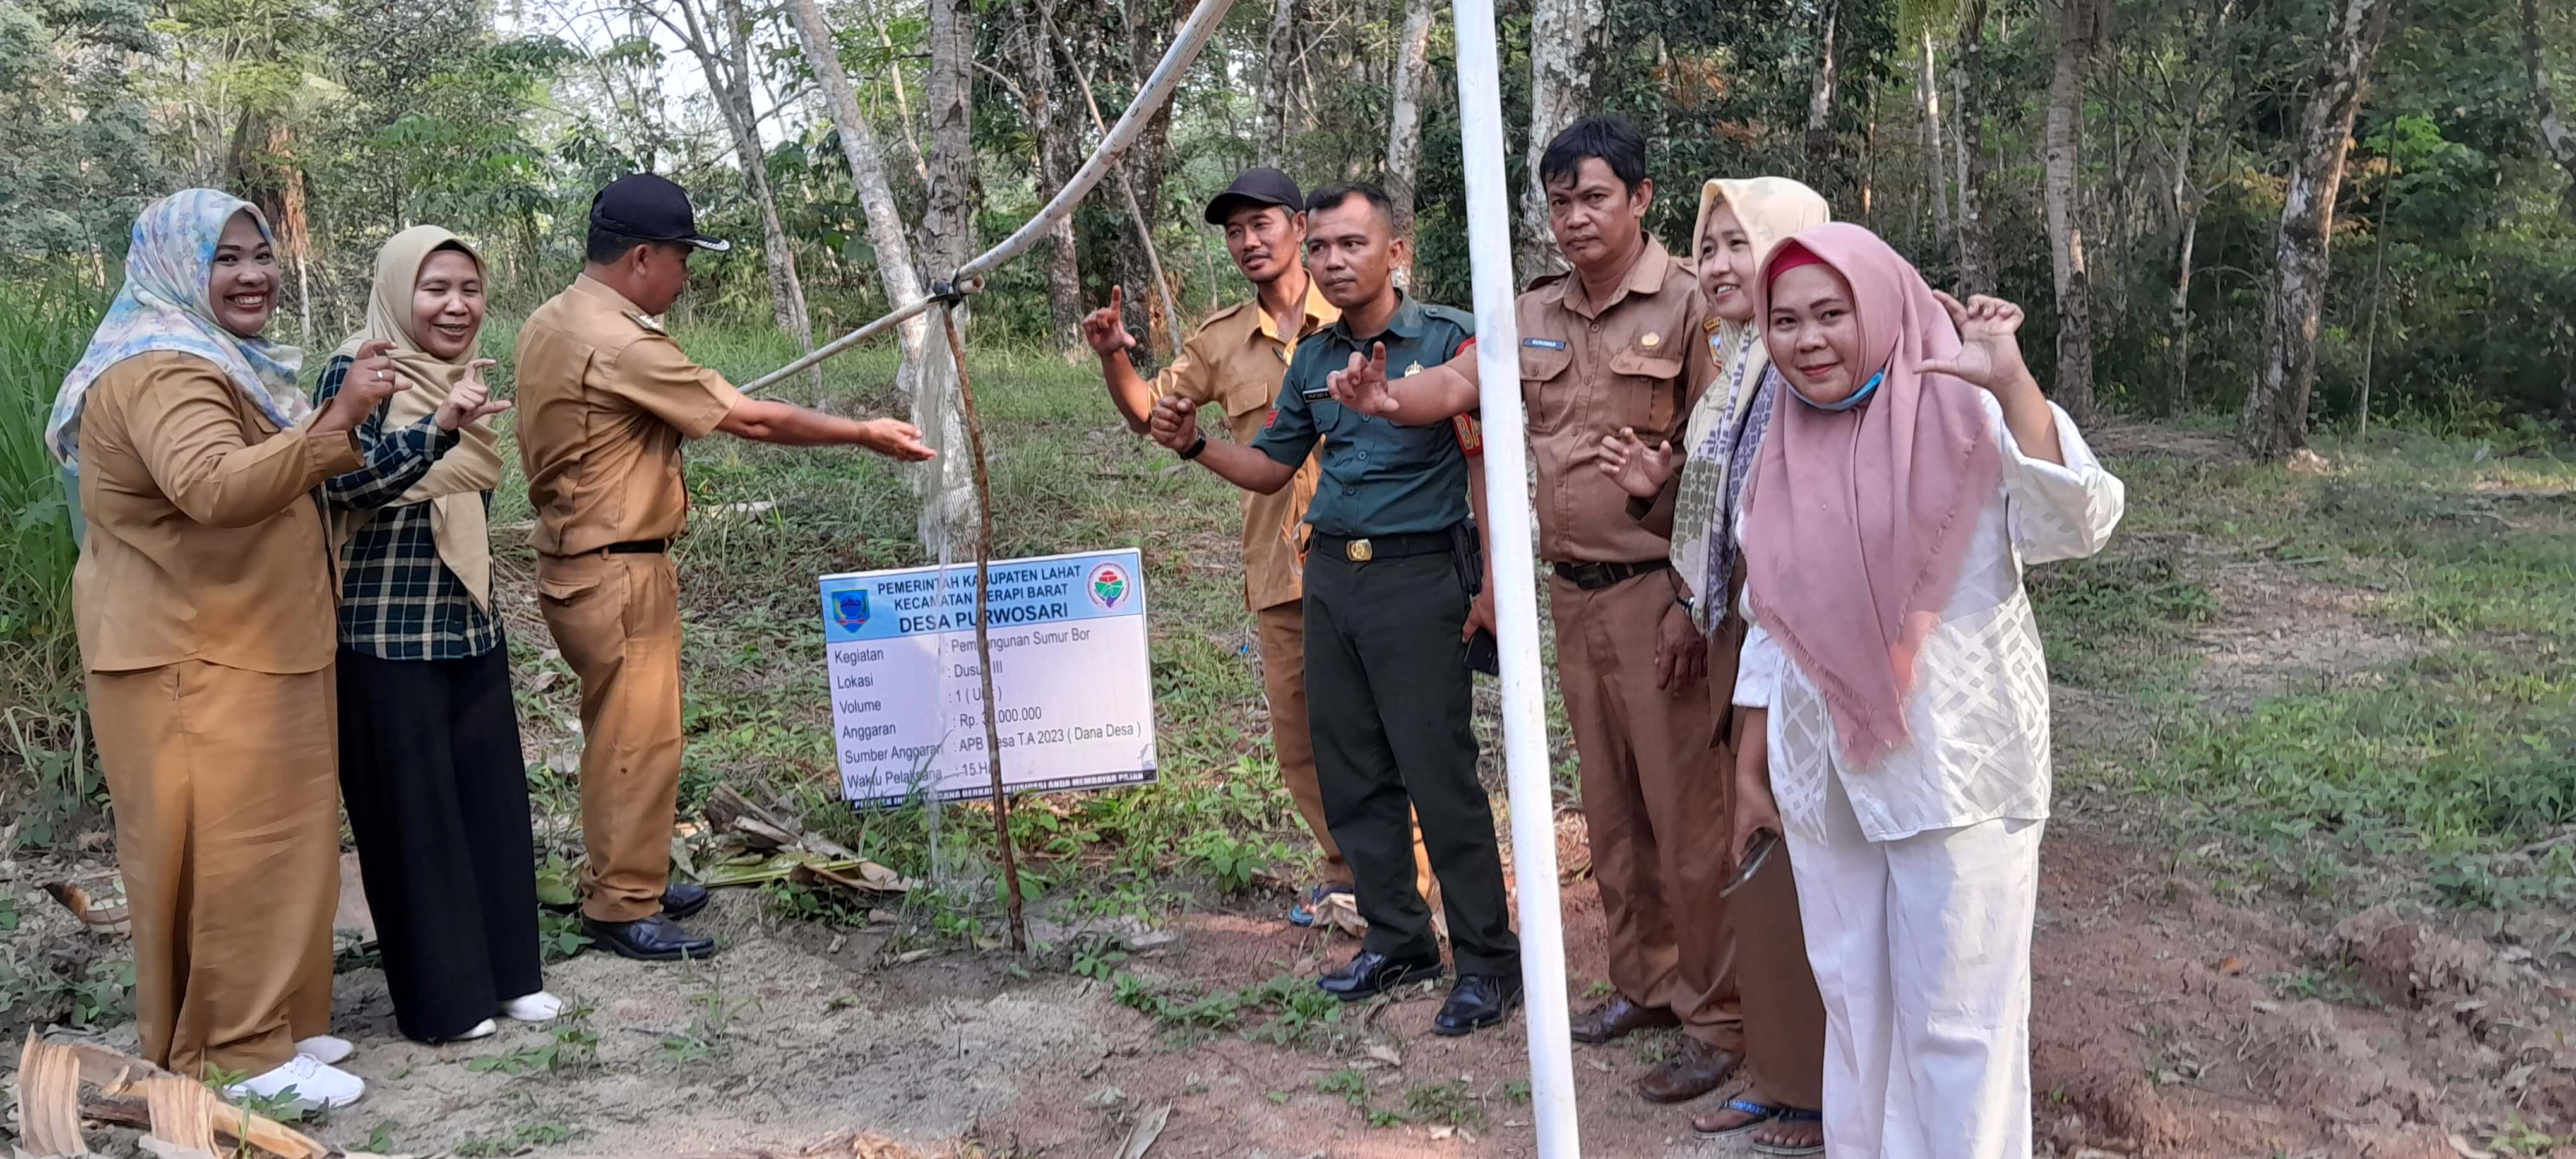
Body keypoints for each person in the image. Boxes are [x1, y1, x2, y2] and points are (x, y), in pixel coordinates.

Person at [1324, 117, 1741, 1102]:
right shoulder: (1533, 309)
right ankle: (1643, 982)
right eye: (1559, 201)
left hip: (1660, 599)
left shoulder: (1690, 308)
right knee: (1612, 810)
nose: (1575, 217)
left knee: (1688, 812)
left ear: (1640, 198)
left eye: (1594, 196)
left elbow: (1724, 462)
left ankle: (1718, 1016)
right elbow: (1461, 382)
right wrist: (1387, 402)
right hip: (1571, 598)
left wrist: (1692, 596)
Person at [45, 189, 475, 1108]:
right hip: (199, 652)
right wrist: (340, 419)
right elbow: (210, 486)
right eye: (226, 258)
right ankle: (233, 1050)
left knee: (275, 846)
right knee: (233, 851)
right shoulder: (163, 369)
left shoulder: (213, 358)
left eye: (261, 255)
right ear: (174, 266)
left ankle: (267, 1020)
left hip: (245, 642)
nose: (252, 276)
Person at [1729, 222, 2125, 1158]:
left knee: (1958, 1024)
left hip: (1957, 766)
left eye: (1833, 313)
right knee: (1857, 1013)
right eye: (1785, 321)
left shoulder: (1967, 416)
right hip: (1822, 777)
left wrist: (2013, 382)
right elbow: (1770, 617)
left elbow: (2081, 519)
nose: (1809, 340)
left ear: (1883, 307)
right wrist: (1752, 764)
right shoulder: (1780, 445)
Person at [516, 174, 934, 962]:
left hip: (583, 561)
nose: (685, 275)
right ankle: (621, 905)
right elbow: (751, 418)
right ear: (642, 257)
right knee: (638, 741)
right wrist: (862, 433)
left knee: (619, 734)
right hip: (616, 569)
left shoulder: (553, 319)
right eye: (682, 259)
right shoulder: (618, 340)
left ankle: (626, 875)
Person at [1145, 182, 1521, 1036]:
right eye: (1324, 248)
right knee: (1352, 771)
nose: (1334, 261)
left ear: (1395, 253)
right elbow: (1273, 469)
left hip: (1420, 580)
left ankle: (1490, 962)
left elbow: (1482, 464)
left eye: (1355, 245)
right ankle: (1400, 940)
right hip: (1332, 582)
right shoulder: (1313, 361)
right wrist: (1198, 445)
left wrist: (1494, 582)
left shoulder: (1447, 338)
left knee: (1439, 772)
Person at [1079, 168, 1429, 930]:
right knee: (1303, 736)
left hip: (1377, 555)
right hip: (1282, 568)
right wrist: (1115, 358)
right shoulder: (1220, 341)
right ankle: (1348, 871)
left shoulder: (1362, 311)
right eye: (1234, 232)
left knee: (1392, 724)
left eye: (1261, 225)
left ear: (1300, 227)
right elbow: (1154, 415)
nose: (1248, 242)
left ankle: (1410, 881)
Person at [1597, 175, 1833, 1155]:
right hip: (1739, 635)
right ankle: (1784, 1074)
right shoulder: (1741, 366)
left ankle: (1813, 1088)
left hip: (1797, 650)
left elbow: (1795, 540)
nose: (1724, 265)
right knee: (1760, 860)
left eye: (1746, 244)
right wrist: (1664, 501)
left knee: (1787, 859)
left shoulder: (1804, 372)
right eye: (1716, 245)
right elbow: (1727, 520)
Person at [316, 225, 561, 1045]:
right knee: (414, 824)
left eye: (469, 288)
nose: (456, 305)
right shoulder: (361, 370)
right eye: (435, 289)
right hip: (385, 638)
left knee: (491, 808)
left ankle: (509, 976)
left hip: (466, 623)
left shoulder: (461, 374)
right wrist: (438, 430)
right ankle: (445, 1003)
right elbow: (343, 482)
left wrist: (452, 419)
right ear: (397, 290)